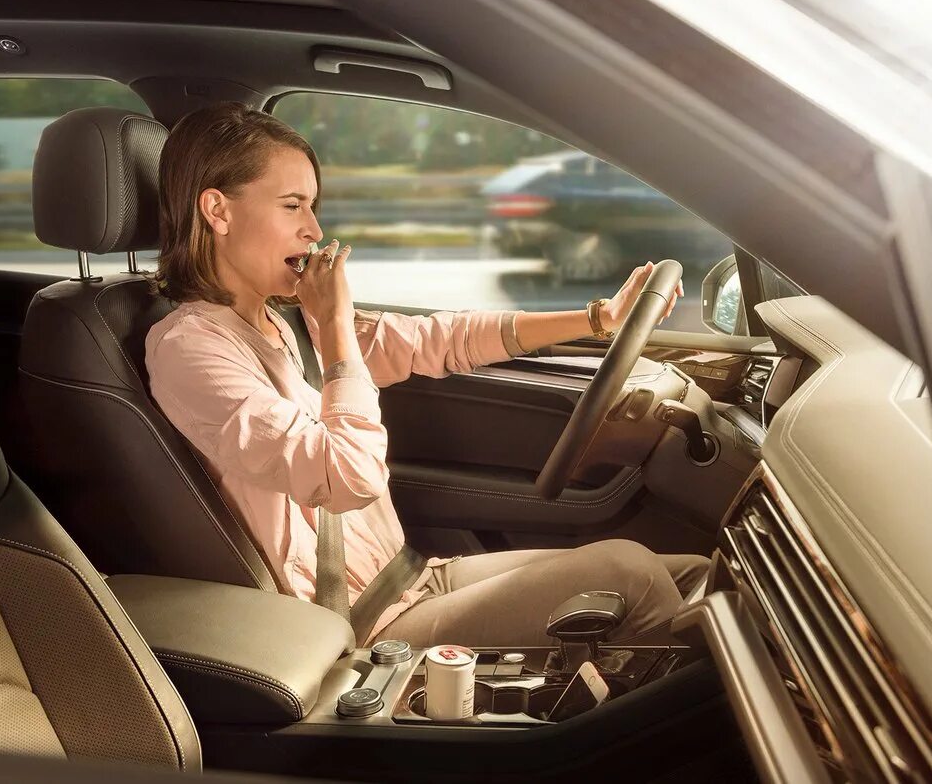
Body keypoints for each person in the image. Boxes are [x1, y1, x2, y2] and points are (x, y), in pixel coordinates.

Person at [146, 102, 709, 648]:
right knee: (630, 574)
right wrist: (337, 329)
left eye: (313, 207)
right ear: (218, 211)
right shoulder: (192, 350)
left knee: (694, 576)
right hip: (354, 628)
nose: (315, 229)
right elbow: (348, 477)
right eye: (293, 206)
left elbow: (442, 339)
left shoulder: (285, 321)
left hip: (410, 580)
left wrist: (597, 319)